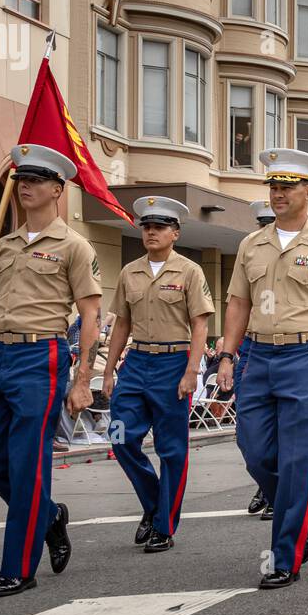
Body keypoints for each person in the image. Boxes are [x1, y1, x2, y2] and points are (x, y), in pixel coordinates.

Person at [0, 143, 101, 600]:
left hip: (41, 357)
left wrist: (83, 378)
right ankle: (48, 516)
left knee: (27, 464)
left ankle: (18, 567)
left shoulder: (74, 246)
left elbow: (90, 315)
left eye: (34, 180)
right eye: (19, 179)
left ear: (57, 189)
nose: (23, 185)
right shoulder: (3, 246)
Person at [217, 148, 308, 589]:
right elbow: (238, 303)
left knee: (298, 460)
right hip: (257, 356)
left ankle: (286, 557)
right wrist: (227, 354)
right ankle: (302, 507)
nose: (278, 195)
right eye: (273, 187)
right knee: (253, 448)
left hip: (306, 355)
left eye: (287, 187)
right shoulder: (250, 244)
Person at [103, 196, 213, 554]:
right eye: (147, 226)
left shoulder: (190, 271)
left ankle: (164, 525)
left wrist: (192, 370)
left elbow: (200, 325)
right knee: (120, 439)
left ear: (175, 233)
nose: (151, 232)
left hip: (173, 362)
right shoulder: (129, 271)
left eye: (160, 227)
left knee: (172, 450)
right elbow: (122, 323)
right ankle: (153, 505)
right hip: (136, 363)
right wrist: (108, 370)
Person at [240, 199, 276, 520]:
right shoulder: (249, 250)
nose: (267, 229)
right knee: (248, 435)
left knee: (281, 430)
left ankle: (279, 494)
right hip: (251, 347)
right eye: (262, 223)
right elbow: (237, 303)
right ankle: (268, 484)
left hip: (288, 348)